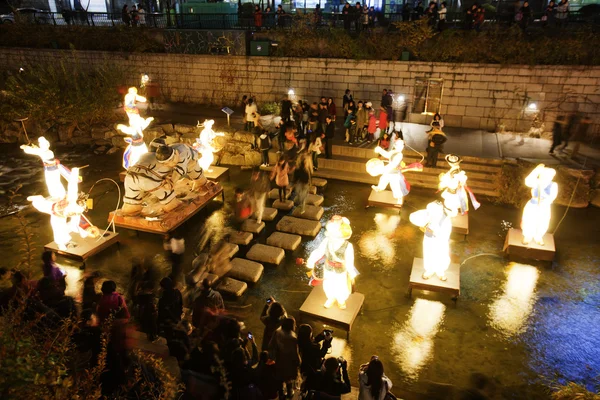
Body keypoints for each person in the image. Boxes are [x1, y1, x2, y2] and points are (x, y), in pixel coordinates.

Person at [269, 317, 300, 399]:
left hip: (278, 360)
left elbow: (270, 345)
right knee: (288, 379)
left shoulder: (277, 331)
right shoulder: (293, 338)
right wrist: (298, 362)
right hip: (289, 362)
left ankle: (281, 395)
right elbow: (295, 353)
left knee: (280, 378)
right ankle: (290, 393)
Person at [298, 324, 332, 389]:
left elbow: (311, 341)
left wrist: (321, 336)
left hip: (303, 367)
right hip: (313, 369)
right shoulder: (313, 347)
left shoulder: (300, 342)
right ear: (309, 334)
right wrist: (327, 342)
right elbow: (321, 354)